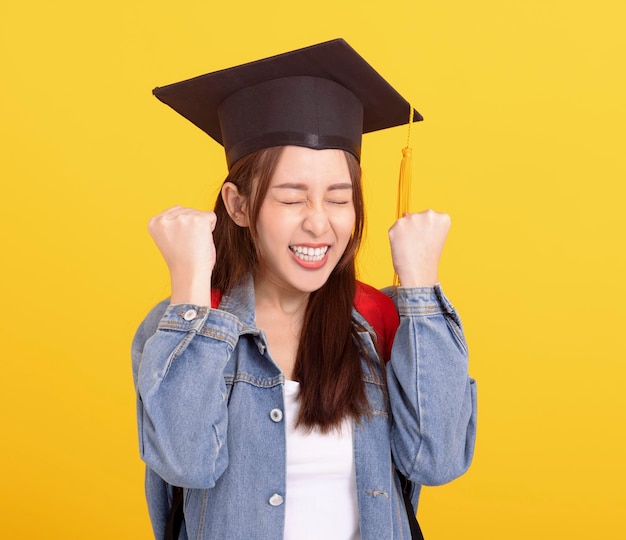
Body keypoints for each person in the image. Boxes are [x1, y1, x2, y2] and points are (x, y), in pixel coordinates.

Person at [132, 39, 477, 540]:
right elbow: (186, 464)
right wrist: (189, 285)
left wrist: (421, 289)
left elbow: (438, 460)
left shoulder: (380, 321)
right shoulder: (187, 327)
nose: (320, 224)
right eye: (292, 198)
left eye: (340, 199)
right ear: (238, 205)